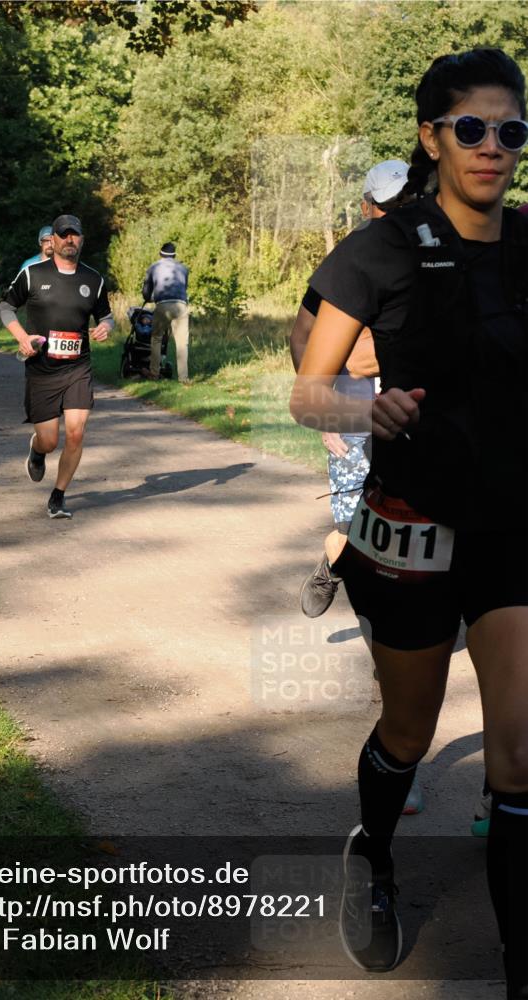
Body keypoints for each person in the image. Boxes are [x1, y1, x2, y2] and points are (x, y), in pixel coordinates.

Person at [290, 48, 527, 996]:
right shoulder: (377, 250)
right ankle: (374, 855)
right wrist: (366, 411)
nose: (493, 146)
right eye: (471, 128)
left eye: (511, 130)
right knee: (408, 731)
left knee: (517, 752)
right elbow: (309, 394)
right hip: (413, 529)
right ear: (431, 138)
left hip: (513, 529)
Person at [292, 160, 411, 621]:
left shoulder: (436, 253)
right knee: (351, 529)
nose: (398, 214)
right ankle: (334, 566)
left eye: (407, 203)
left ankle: (396, 639)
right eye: (388, 207)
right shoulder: (352, 258)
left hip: (413, 408)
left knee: (408, 527)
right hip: (354, 401)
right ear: (367, 208)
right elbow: (301, 337)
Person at [0, 214, 113, 518]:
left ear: (82, 239)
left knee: (76, 434)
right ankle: (37, 450)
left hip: (78, 367)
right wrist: (22, 337)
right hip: (42, 368)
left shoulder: (93, 279)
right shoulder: (32, 274)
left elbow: (106, 315)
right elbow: (6, 306)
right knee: (50, 440)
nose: (69, 240)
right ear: (53, 240)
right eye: (63, 235)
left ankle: (58, 495)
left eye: (74, 234)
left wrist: (106, 326)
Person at [141, 242, 190, 382]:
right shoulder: (183, 268)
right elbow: (183, 288)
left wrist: (149, 298)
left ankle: (154, 373)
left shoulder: (153, 267)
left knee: (156, 338)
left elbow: (146, 292)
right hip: (181, 305)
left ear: (160, 254)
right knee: (182, 343)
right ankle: (183, 378)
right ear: (174, 255)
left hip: (162, 305)